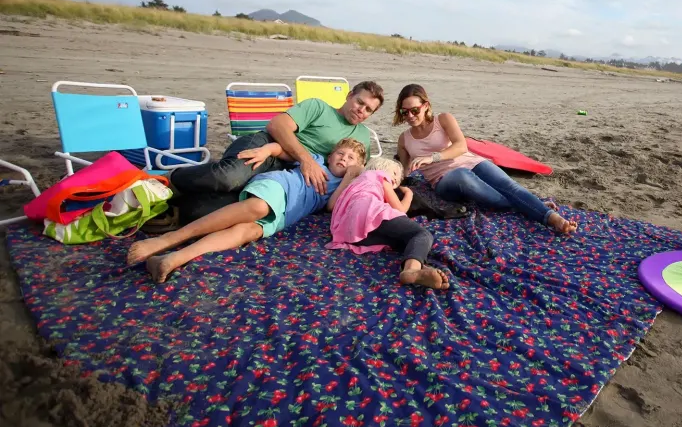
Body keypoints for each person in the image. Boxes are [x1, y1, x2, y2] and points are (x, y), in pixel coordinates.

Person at [127, 138, 367, 282]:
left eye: (351, 158)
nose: (344, 159)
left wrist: (350, 178)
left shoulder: (346, 186)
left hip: (287, 213)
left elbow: (332, 206)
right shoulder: (315, 160)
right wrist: (266, 150)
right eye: (341, 153)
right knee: (258, 207)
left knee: (247, 232)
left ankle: (173, 259)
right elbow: (281, 149)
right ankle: (168, 240)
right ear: (330, 155)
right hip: (279, 187)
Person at [168, 81, 384, 221]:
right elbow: (277, 125)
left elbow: (359, 170)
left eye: (368, 110)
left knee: (215, 209)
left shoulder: (363, 135)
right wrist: (306, 160)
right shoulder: (318, 107)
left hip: (287, 175)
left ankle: (169, 205)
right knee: (228, 178)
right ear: (349, 95)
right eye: (360, 102)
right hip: (267, 146)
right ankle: (170, 179)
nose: (361, 110)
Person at [394, 84, 577, 234]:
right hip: (445, 181)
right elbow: (404, 170)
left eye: (414, 110)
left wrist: (431, 158)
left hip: (472, 162)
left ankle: (553, 218)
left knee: (509, 186)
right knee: (466, 178)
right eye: (405, 112)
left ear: (426, 105)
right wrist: (402, 172)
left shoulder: (443, 119)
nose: (410, 116)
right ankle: (530, 205)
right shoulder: (404, 139)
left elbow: (461, 146)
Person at [325, 156, 448, 290]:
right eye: (394, 173)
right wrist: (409, 194)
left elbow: (331, 206)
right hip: (369, 212)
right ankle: (412, 269)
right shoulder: (379, 175)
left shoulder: (354, 183)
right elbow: (400, 209)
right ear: (382, 167)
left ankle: (418, 267)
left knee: (403, 240)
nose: (396, 179)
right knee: (421, 234)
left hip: (349, 231)